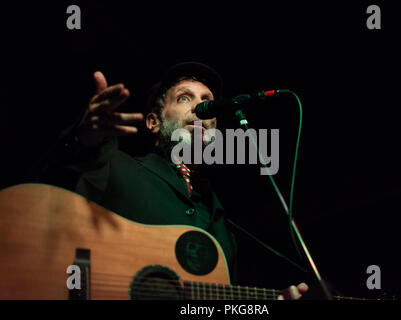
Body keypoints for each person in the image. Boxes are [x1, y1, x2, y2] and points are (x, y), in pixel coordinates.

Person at [50, 61, 309, 300]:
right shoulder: (114, 165)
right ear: (153, 122)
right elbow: (47, 192)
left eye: (208, 101)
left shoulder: (222, 222)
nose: (200, 107)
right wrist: (81, 140)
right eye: (184, 98)